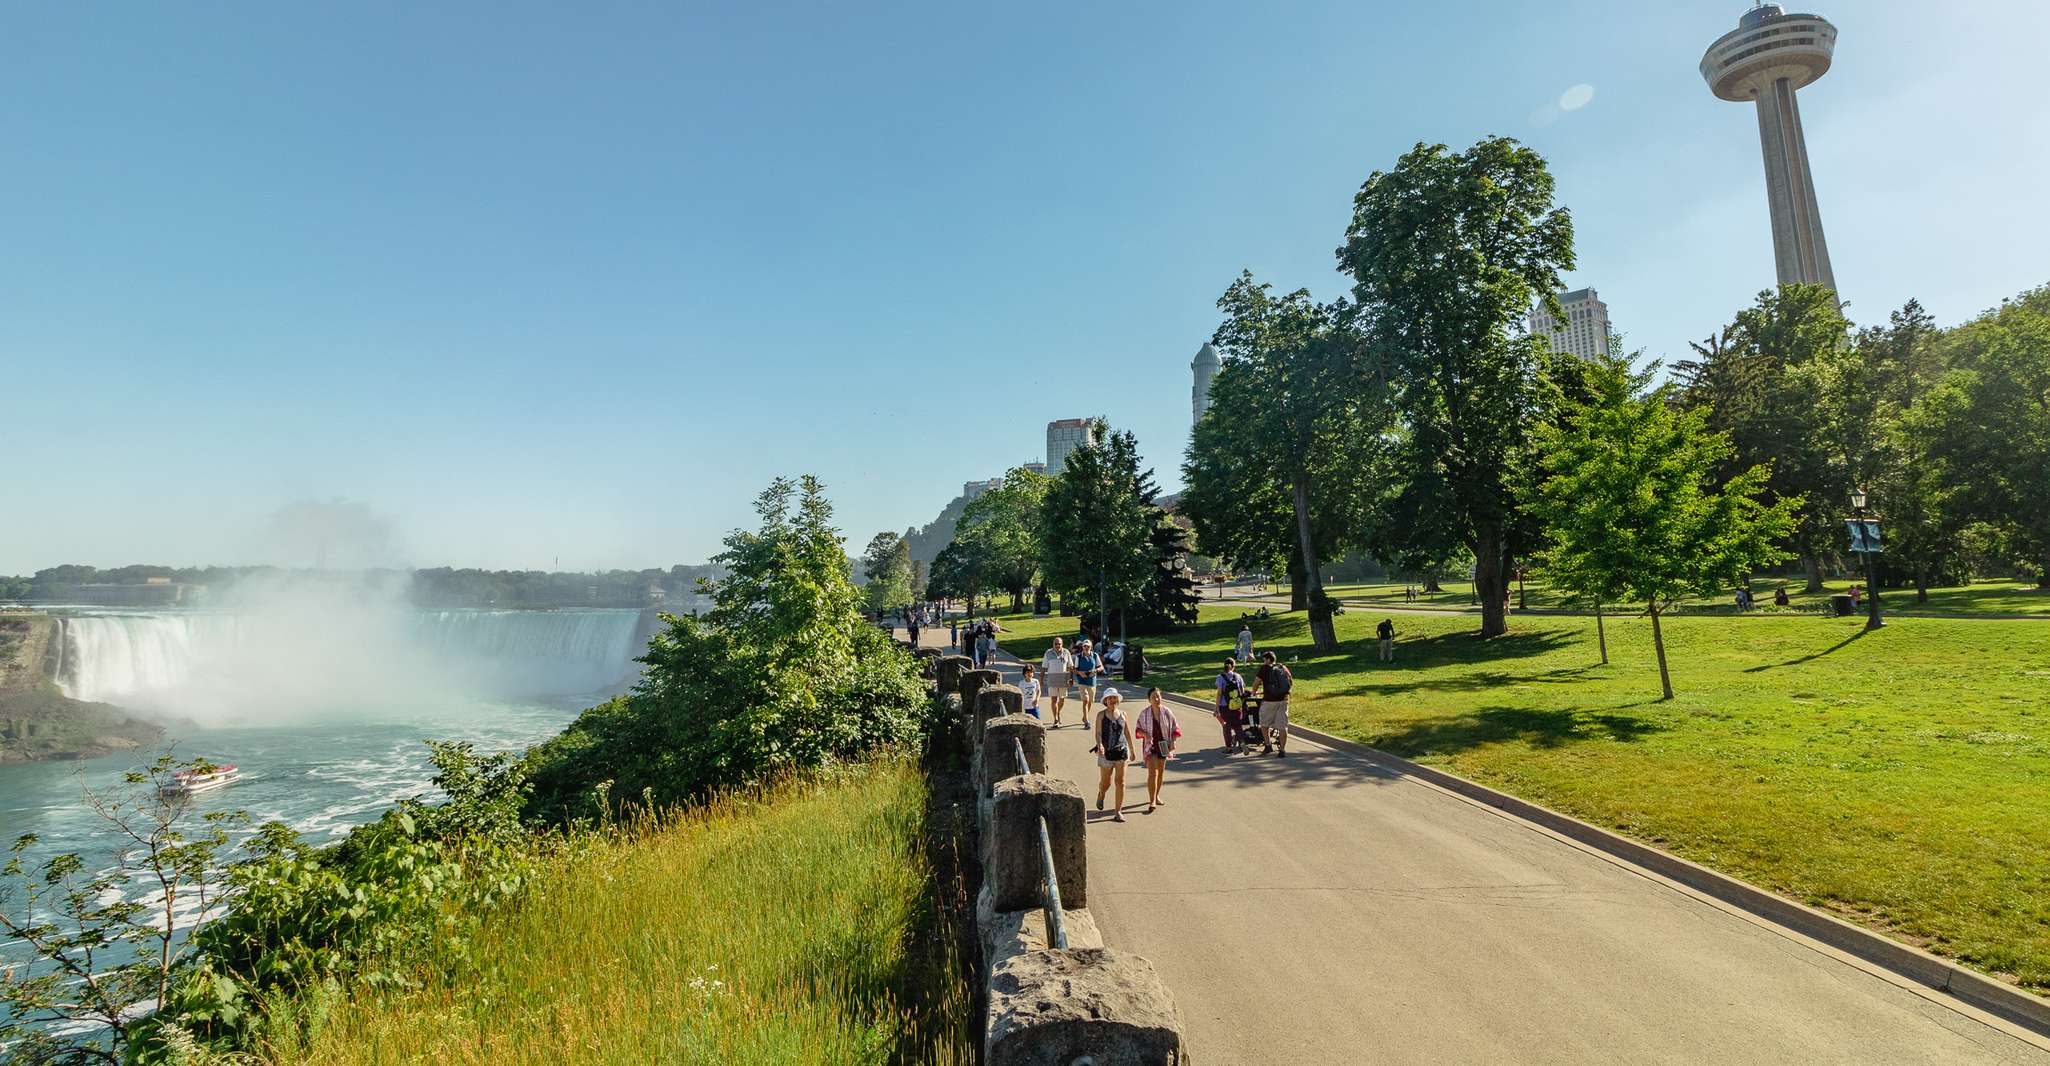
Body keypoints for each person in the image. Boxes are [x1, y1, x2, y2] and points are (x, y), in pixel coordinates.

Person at [1090, 689, 1136, 822]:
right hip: (1105, 753)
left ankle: (1118, 811)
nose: (1112, 700)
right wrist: (1100, 745)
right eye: (1109, 698)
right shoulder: (1101, 715)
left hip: (1121, 752)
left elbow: (1127, 733)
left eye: (1114, 698)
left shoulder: (1123, 714)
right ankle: (1101, 794)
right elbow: (1098, 733)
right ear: (1105, 701)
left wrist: (1132, 750)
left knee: (1120, 782)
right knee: (1106, 782)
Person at [1135, 688, 1179, 814]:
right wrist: (1145, 734)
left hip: (1164, 745)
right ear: (1149, 700)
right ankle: (1152, 801)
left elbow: (1175, 728)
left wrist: (1173, 741)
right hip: (1151, 746)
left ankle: (1156, 795)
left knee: (1160, 772)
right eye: (1153, 697)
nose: (1156, 699)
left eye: (1158, 696)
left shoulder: (1167, 712)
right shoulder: (1144, 713)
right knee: (1152, 773)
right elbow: (1138, 729)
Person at [1256, 651, 1293, 757]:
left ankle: (1268, 745)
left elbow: (1256, 682)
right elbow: (1290, 681)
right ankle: (1282, 750)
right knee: (1282, 726)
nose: (1263, 662)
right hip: (1283, 700)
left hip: (1269, 701)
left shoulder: (1264, 668)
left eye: (1264, 660)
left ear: (1268, 660)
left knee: (1264, 724)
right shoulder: (1283, 668)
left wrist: (1254, 691)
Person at [1214, 658, 1247, 752]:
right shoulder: (1238, 676)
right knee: (1238, 726)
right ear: (1233, 666)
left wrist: (1216, 707)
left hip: (1225, 706)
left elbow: (1219, 694)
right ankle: (1242, 743)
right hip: (1237, 706)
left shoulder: (1220, 677)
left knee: (1226, 726)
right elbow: (1242, 692)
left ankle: (1228, 748)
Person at [1041, 638, 1074, 727]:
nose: (1057, 645)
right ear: (1053, 644)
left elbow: (1071, 667)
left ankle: (1058, 712)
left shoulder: (1066, 652)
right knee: (1054, 699)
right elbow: (1044, 667)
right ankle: (1055, 719)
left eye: (1059, 644)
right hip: (1052, 680)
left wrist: (1071, 679)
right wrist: (1041, 680)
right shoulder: (1048, 653)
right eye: (1055, 644)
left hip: (1063, 680)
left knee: (1062, 699)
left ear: (1062, 644)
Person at [1072, 640, 1102, 719]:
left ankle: (1085, 716)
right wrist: (1080, 673)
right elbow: (1074, 670)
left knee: (1090, 701)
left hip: (1092, 681)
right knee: (1085, 700)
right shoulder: (1078, 657)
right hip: (1082, 681)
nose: (1086, 648)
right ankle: (1086, 720)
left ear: (1091, 647)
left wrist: (1095, 671)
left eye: (1088, 646)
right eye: (1084, 646)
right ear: (1082, 647)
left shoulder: (1095, 655)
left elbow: (1101, 667)